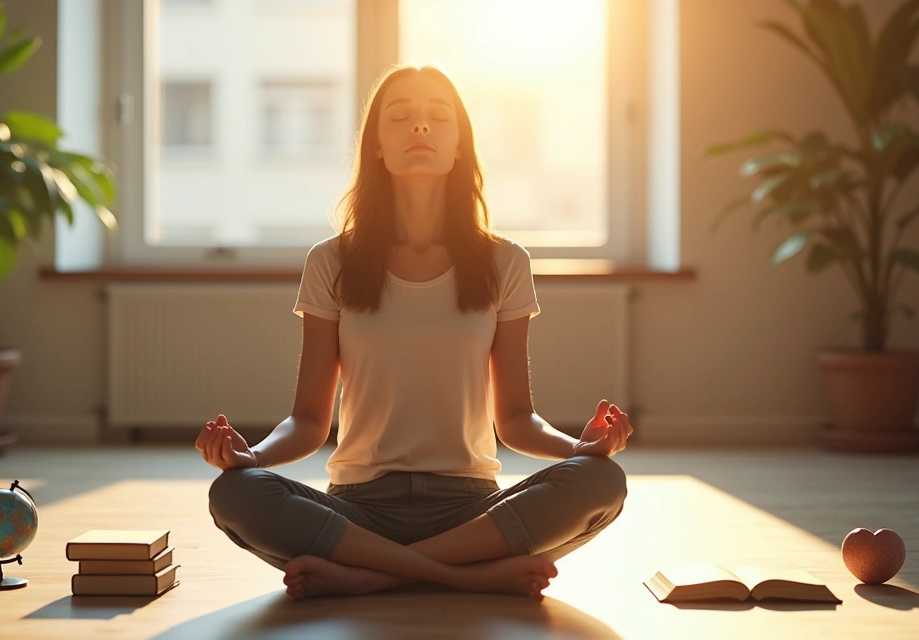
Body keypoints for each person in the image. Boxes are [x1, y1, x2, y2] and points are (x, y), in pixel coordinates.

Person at [195, 63, 632, 601]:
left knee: (603, 482)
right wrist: (252, 457)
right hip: (357, 509)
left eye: (437, 117)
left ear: (459, 145)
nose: (419, 127)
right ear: (377, 145)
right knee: (236, 493)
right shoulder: (331, 262)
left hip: (471, 509)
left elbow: (515, 420)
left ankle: (369, 578)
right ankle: (464, 576)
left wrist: (578, 449)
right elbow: (309, 421)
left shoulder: (505, 263)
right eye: (399, 117)